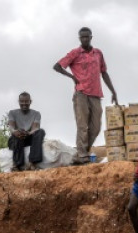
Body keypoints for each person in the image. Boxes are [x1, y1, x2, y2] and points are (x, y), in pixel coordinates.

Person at [53, 27, 118, 165]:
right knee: (82, 125)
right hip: (81, 93)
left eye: (87, 37)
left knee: (96, 127)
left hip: (95, 93)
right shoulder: (75, 53)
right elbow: (57, 66)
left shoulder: (98, 53)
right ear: (79, 38)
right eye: (82, 37)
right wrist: (72, 76)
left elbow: (104, 72)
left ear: (91, 37)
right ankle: (82, 155)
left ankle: (83, 151)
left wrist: (113, 91)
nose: (85, 39)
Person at [7, 92, 44, 171]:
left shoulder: (36, 114)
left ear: (30, 102)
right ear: (19, 102)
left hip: (29, 137)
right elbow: (11, 127)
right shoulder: (12, 113)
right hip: (16, 139)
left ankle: (33, 163)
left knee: (40, 131)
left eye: (26, 101)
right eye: (22, 101)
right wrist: (15, 132)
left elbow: (35, 128)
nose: (24, 104)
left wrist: (28, 133)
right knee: (17, 135)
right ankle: (17, 165)